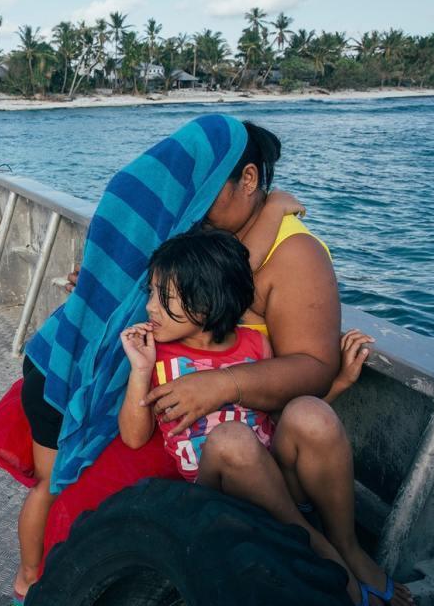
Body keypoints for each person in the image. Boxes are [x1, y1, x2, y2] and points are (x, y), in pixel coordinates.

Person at [11, 115, 312, 603]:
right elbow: (222, 281)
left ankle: (27, 577)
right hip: (61, 372)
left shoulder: (141, 214)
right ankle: (29, 580)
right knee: (54, 487)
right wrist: (275, 212)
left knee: (49, 484)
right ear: (247, 178)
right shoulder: (188, 247)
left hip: (53, 356)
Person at [119, 230, 377, 605]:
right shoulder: (156, 355)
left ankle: (344, 544)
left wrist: (337, 384)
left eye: (165, 296)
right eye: (151, 293)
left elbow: (276, 414)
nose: (150, 307)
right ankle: (312, 543)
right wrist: (140, 371)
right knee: (231, 440)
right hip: (216, 498)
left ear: (207, 303)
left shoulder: (256, 345)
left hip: (273, 480)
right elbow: (133, 436)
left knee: (310, 411)